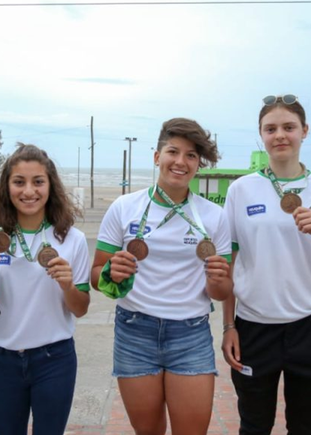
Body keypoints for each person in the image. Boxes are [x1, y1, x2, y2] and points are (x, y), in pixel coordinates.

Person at [90, 117, 233, 435]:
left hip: (191, 333)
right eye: (173, 151)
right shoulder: (124, 207)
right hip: (134, 332)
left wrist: (219, 278)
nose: (181, 162)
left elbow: (220, 292)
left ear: (199, 165)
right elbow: (95, 275)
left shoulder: (214, 216)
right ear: (157, 157)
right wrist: (112, 272)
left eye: (192, 155)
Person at [221, 94, 311, 435]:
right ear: (261, 135)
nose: (280, 135)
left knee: (306, 428)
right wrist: (228, 326)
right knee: (253, 426)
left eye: (289, 127)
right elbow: (230, 265)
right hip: (254, 327)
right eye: (271, 128)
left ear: (304, 131)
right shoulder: (241, 190)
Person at [0, 144, 91, 435]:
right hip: (1, 359)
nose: (28, 191)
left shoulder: (72, 239)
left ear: (50, 186)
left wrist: (67, 285)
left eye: (38, 182)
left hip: (54, 360)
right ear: (7, 187)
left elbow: (80, 308)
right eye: (19, 182)